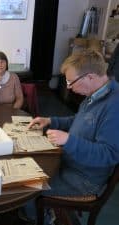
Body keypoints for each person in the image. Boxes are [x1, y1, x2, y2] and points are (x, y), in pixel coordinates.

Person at [23, 49, 119, 224]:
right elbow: (79, 120)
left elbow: (109, 154)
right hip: (70, 163)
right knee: (28, 167)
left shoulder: (114, 105)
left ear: (90, 77)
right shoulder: (95, 94)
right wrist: (50, 121)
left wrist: (68, 140)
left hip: (84, 180)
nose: (68, 87)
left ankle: (41, 218)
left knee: (27, 188)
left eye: (71, 82)